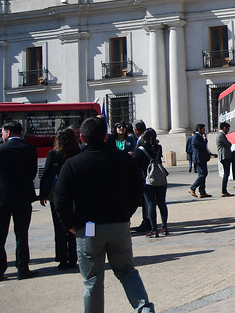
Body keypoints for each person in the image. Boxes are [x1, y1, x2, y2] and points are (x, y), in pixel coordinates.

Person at [53, 116, 155, 313]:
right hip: (118, 223)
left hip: (88, 227)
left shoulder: (73, 164)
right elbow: (136, 189)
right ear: (105, 137)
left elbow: (61, 200)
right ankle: (144, 308)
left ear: (82, 138)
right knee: (127, 271)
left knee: (92, 280)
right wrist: (127, 213)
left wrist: (70, 225)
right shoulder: (123, 159)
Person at [0, 119, 39, 281]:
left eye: (2, 131)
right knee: (21, 234)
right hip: (23, 198)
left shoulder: (1, 149)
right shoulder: (29, 148)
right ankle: (22, 268)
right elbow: (32, 172)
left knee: (1, 235)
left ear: (8, 132)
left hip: (2, 199)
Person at [38, 127, 81, 270]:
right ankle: (73, 258)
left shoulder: (53, 154)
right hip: (75, 193)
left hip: (57, 195)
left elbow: (47, 174)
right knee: (74, 226)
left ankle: (62, 259)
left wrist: (43, 195)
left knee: (59, 227)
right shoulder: (78, 152)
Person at [138, 129, 169, 238]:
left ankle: (154, 229)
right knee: (162, 203)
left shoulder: (140, 149)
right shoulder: (158, 147)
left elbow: (134, 162)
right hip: (160, 178)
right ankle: (164, 227)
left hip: (148, 179)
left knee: (151, 204)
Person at [217, 122, 235, 197]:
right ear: (224, 128)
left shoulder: (221, 135)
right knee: (226, 174)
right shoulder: (221, 135)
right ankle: (224, 191)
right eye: (227, 128)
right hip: (225, 157)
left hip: (227, 156)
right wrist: (229, 144)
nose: (228, 130)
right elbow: (228, 144)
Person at [188, 124, 215, 198]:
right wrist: (205, 139)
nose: (204, 131)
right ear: (199, 129)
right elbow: (202, 146)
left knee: (201, 175)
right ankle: (192, 188)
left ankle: (202, 192)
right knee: (203, 174)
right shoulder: (196, 137)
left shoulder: (199, 137)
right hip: (199, 158)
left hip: (201, 158)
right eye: (203, 129)